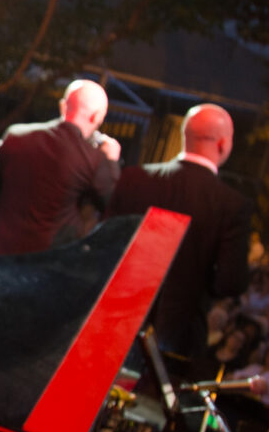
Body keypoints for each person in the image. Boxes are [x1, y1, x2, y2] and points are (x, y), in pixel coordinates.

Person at [104, 104, 250, 376]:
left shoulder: (135, 179)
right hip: (176, 338)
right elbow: (231, 282)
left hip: (113, 324)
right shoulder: (230, 205)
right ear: (223, 144)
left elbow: (105, 246)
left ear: (186, 136)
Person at [0, 78, 121, 255]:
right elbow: (114, 206)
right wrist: (112, 162)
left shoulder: (16, 136)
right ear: (97, 116)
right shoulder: (94, 159)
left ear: (63, 105)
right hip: (44, 264)